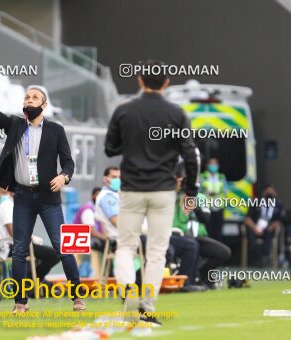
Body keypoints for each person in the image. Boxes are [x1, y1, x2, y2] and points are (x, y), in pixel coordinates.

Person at [0, 69, 83, 313]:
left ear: (44, 104)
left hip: (49, 198)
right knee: (19, 250)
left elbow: (69, 162)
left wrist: (64, 176)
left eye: (33, 97)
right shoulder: (15, 125)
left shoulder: (56, 130)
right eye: (26, 98)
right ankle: (20, 303)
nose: (28, 100)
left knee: (62, 247)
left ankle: (77, 297)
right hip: (22, 196)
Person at [105, 59, 200, 324]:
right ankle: (147, 307)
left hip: (132, 188)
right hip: (163, 190)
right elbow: (190, 156)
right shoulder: (177, 114)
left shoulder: (124, 111)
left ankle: (128, 290)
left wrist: (132, 141)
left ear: (139, 80)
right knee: (157, 252)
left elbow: (110, 148)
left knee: (125, 246)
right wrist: (190, 191)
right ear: (167, 83)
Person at [173, 173, 231, 289]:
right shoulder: (172, 196)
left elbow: (205, 219)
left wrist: (194, 204)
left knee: (224, 252)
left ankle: (201, 273)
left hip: (199, 236)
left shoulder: (201, 198)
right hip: (179, 235)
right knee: (191, 246)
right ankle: (187, 281)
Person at [0, 187, 59, 286]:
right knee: (55, 254)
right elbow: (12, 231)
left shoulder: (17, 205)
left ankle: (30, 281)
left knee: (55, 254)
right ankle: (30, 282)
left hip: (20, 243)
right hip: (10, 246)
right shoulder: (7, 206)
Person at [244, 184, 285, 267]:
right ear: (264, 192)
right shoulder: (255, 202)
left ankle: (264, 257)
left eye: (271, 191)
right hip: (255, 227)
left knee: (270, 233)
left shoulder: (278, 205)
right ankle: (257, 259)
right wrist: (255, 228)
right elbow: (247, 219)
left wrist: (272, 226)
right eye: (268, 191)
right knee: (251, 236)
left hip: (268, 228)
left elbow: (280, 220)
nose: (270, 193)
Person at [200, 158, 228, 241]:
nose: (213, 166)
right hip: (206, 208)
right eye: (211, 164)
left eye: (215, 164)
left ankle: (217, 252)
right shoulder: (202, 176)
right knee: (208, 231)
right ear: (207, 166)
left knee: (218, 232)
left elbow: (225, 191)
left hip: (218, 207)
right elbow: (198, 191)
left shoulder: (221, 177)